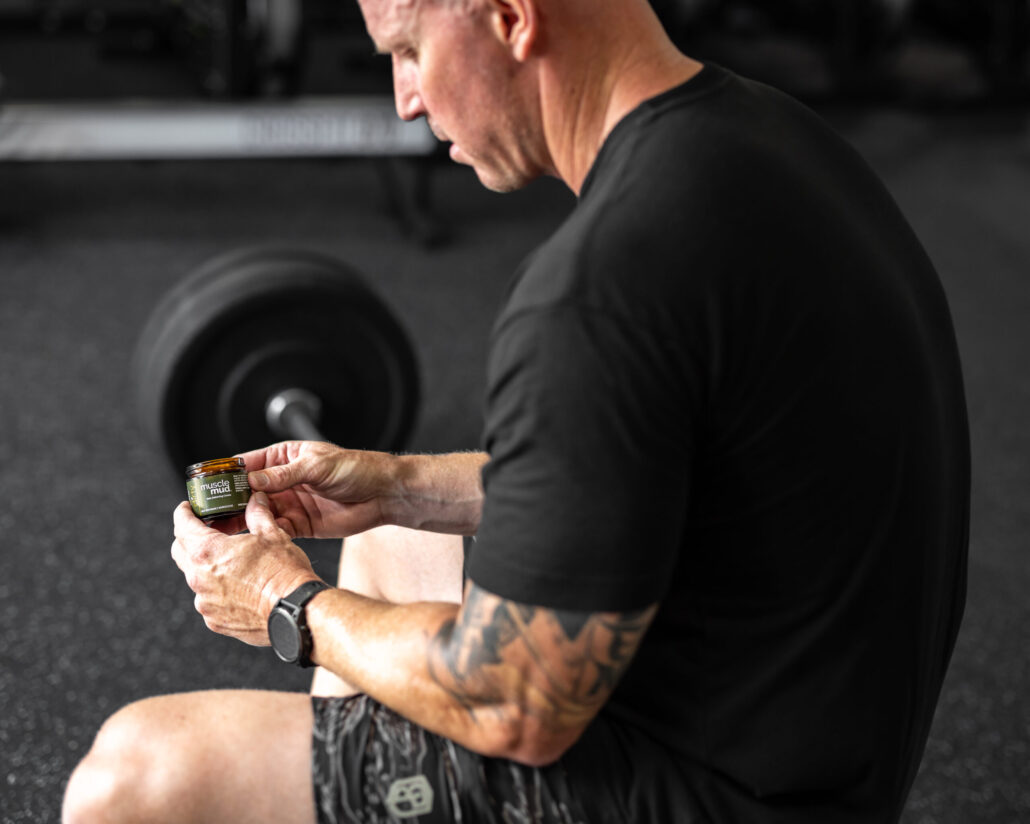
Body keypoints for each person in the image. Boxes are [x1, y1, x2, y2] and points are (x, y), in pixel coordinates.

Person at [63, 0, 970, 821]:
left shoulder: (603, 287)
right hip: (817, 738)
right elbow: (671, 466)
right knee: (392, 540)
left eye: (409, 49)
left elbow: (513, 703)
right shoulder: (769, 139)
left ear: (510, 17)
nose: (405, 99)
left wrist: (282, 599)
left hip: (716, 792)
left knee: (136, 777)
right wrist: (400, 485)